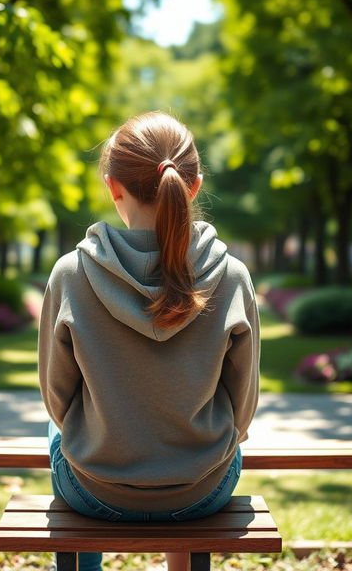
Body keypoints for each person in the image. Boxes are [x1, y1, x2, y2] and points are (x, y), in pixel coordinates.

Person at [38, 111, 260, 571]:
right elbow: (243, 408)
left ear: (112, 186)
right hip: (203, 492)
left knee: (58, 431)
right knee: (218, 445)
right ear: (193, 185)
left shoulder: (71, 274)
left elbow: (56, 399)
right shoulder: (232, 276)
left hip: (93, 492)